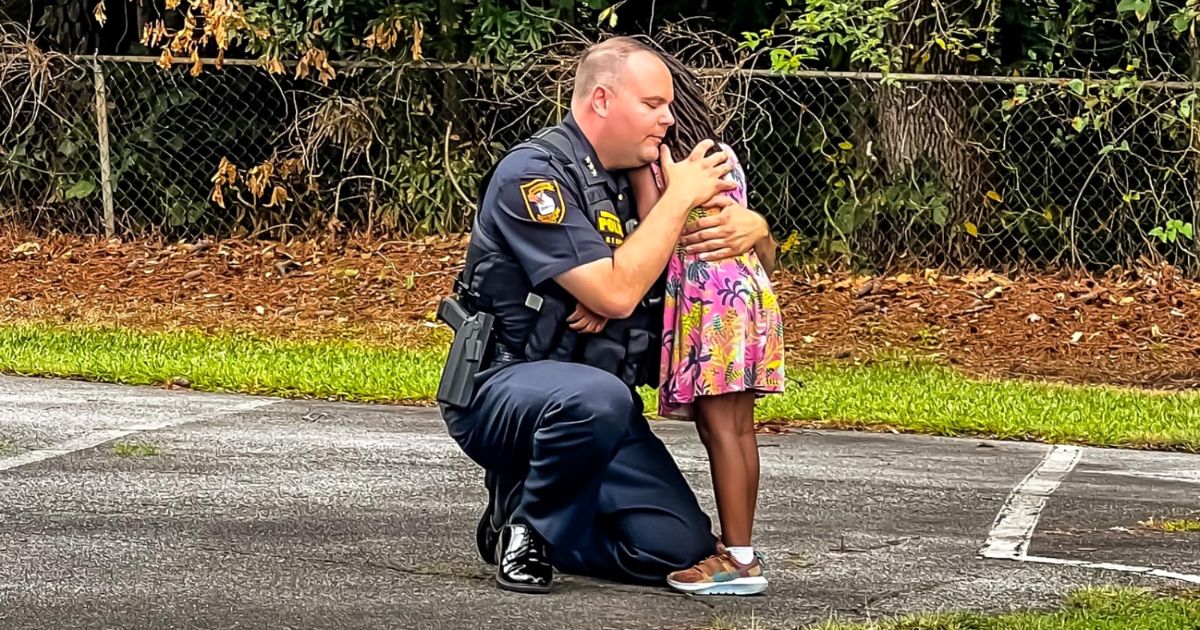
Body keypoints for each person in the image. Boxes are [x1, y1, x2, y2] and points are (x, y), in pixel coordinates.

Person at [436, 36, 775, 595]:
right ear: (600, 100)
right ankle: (528, 533)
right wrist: (677, 199)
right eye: (652, 105)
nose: (667, 119)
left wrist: (757, 230)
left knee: (676, 549)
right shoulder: (535, 175)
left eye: (667, 105)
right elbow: (616, 294)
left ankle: (524, 510)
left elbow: (720, 281)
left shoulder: (638, 181)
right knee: (596, 398)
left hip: (600, 414)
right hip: (507, 390)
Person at [627, 53, 785, 596]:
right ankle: (739, 546)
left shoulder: (660, 163)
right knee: (739, 428)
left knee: (720, 429)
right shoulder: (720, 152)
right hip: (746, 293)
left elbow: (655, 229)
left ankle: (739, 561)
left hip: (708, 300)